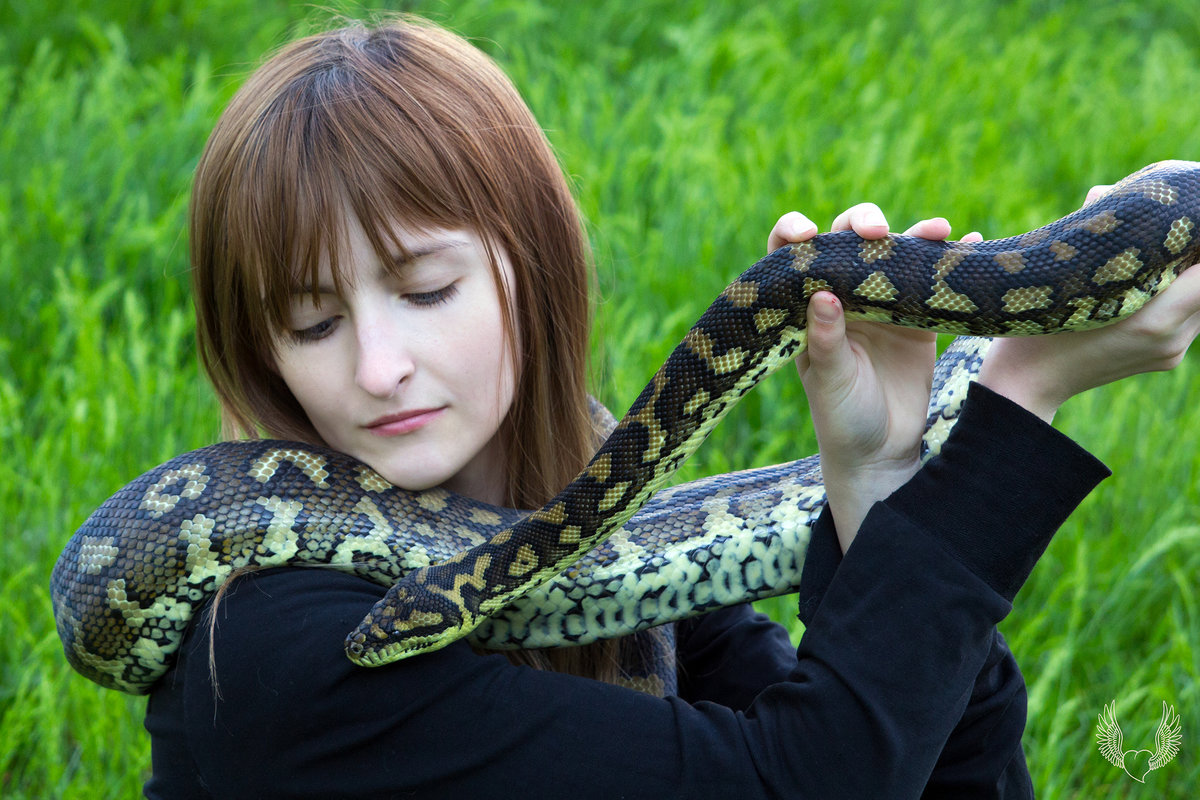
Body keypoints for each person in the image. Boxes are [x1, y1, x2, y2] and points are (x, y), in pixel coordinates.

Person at [141, 15, 1200, 799]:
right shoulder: (284, 653)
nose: (379, 367)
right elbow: (807, 783)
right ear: (261, 349)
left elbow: (912, 764)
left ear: (535, 270)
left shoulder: (596, 504)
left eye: (424, 291)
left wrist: (877, 490)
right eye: (313, 322)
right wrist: (1022, 390)